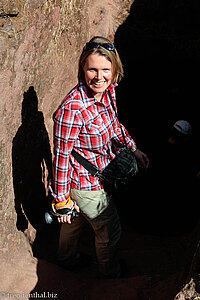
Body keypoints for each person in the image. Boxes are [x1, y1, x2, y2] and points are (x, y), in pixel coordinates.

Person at [50, 36, 149, 278]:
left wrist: (133, 147)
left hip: (96, 172)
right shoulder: (73, 109)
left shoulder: (107, 92)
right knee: (109, 230)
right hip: (85, 183)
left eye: (105, 70)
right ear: (82, 68)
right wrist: (61, 200)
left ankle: (66, 259)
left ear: (114, 70)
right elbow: (61, 157)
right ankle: (109, 274)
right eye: (92, 69)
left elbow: (114, 124)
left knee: (75, 222)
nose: (99, 76)